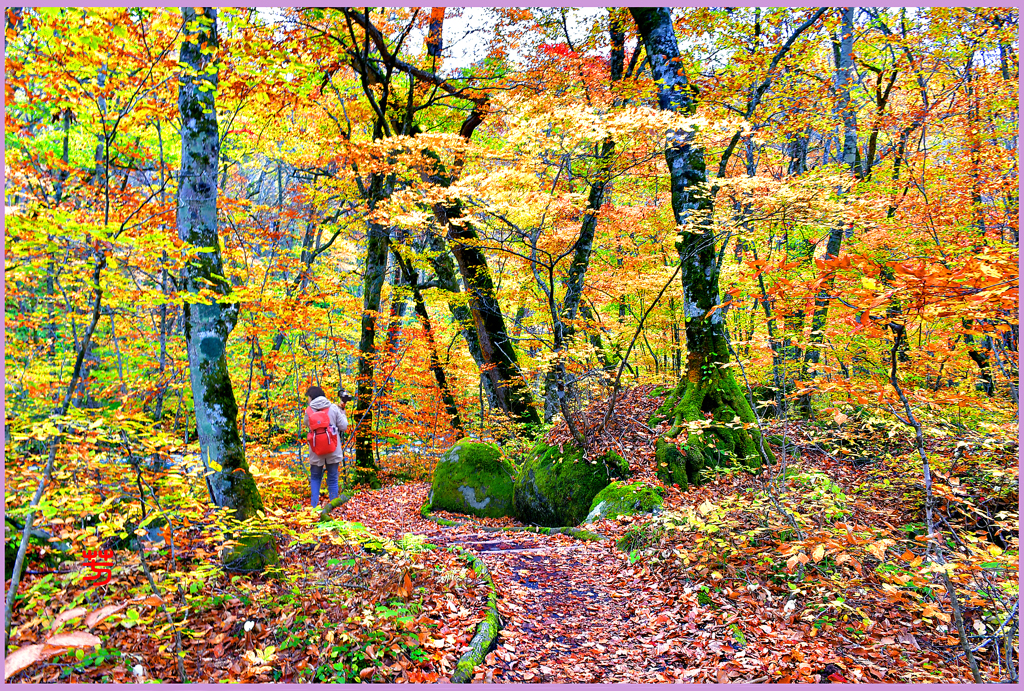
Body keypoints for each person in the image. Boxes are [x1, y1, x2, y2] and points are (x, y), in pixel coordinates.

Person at [304, 385, 350, 508]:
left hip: (316, 450)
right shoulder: (333, 408)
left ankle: (314, 507)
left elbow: (307, 425)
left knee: (315, 477)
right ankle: (333, 507)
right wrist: (342, 412)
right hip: (333, 448)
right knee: (333, 478)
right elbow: (344, 426)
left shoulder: (308, 411)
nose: (308, 400)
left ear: (312, 397)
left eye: (308, 397)